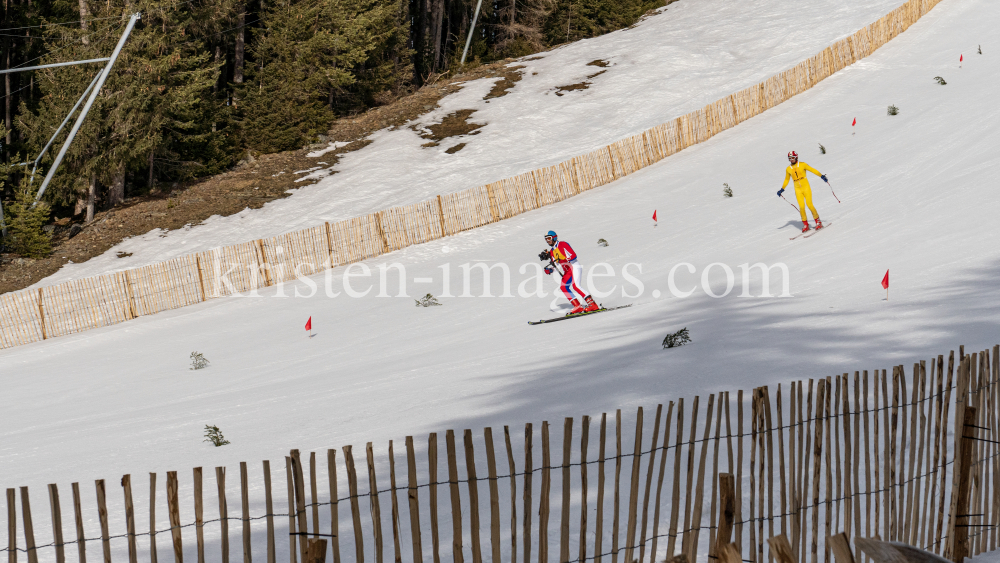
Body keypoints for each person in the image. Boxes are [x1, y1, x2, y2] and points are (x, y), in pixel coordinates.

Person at [542, 231, 599, 314]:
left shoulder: (563, 244)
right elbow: (557, 265)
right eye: (546, 239)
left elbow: (573, 255)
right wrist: (551, 269)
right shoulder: (552, 251)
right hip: (567, 271)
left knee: (576, 286)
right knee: (564, 287)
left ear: (554, 237)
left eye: (549, 238)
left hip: (574, 266)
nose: (548, 241)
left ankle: (593, 305)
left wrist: (563, 259)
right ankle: (577, 306)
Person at [778, 151, 828, 232]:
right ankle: (805, 224)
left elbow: (812, 170)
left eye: (793, 158)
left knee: (810, 205)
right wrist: (782, 189)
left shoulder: (802, 164)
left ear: (796, 157)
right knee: (801, 207)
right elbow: (787, 179)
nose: (791, 160)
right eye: (790, 158)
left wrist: (821, 176)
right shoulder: (788, 169)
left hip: (806, 187)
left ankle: (818, 222)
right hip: (797, 189)